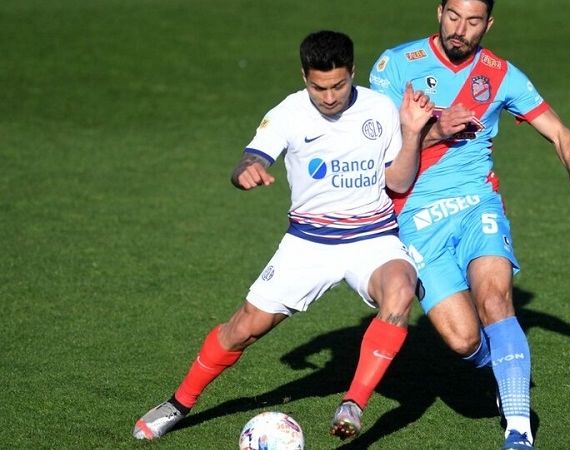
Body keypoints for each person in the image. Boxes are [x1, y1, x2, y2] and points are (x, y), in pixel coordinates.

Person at [132, 30, 434, 441]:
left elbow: (397, 183)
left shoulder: (380, 109)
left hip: (372, 237)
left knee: (401, 289)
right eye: (318, 87)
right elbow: (251, 157)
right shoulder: (289, 113)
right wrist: (245, 172)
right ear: (304, 77)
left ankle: (354, 402)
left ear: (353, 74)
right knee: (243, 328)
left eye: (338, 86)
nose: (328, 97)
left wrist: (413, 133)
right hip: (308, 244)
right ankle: (179, 403)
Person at [368, 1, 570, 449]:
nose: (459, 30)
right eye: (453, 17)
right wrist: (436, 130)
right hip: (414, 218)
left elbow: (560, 133)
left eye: (472, 21)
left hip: (477, 206)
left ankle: (519, 428)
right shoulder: (395, 65)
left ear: (488, 24)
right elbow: (381, 152)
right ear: (439, 11)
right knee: (463, 340)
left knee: (496, 300)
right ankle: (504, 370)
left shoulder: (500, 74)